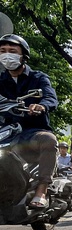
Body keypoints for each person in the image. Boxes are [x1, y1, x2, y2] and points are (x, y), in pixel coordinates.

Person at [0, 34, 59, 209]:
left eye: (12, 51)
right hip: (5, 133)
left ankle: (42, 191)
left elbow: (50, 98)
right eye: (2, 51)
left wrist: (42, 106)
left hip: (31, 132)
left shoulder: (38, 78)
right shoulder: (1, 81)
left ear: (23, 55)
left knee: (49, 140)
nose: (6, 55)